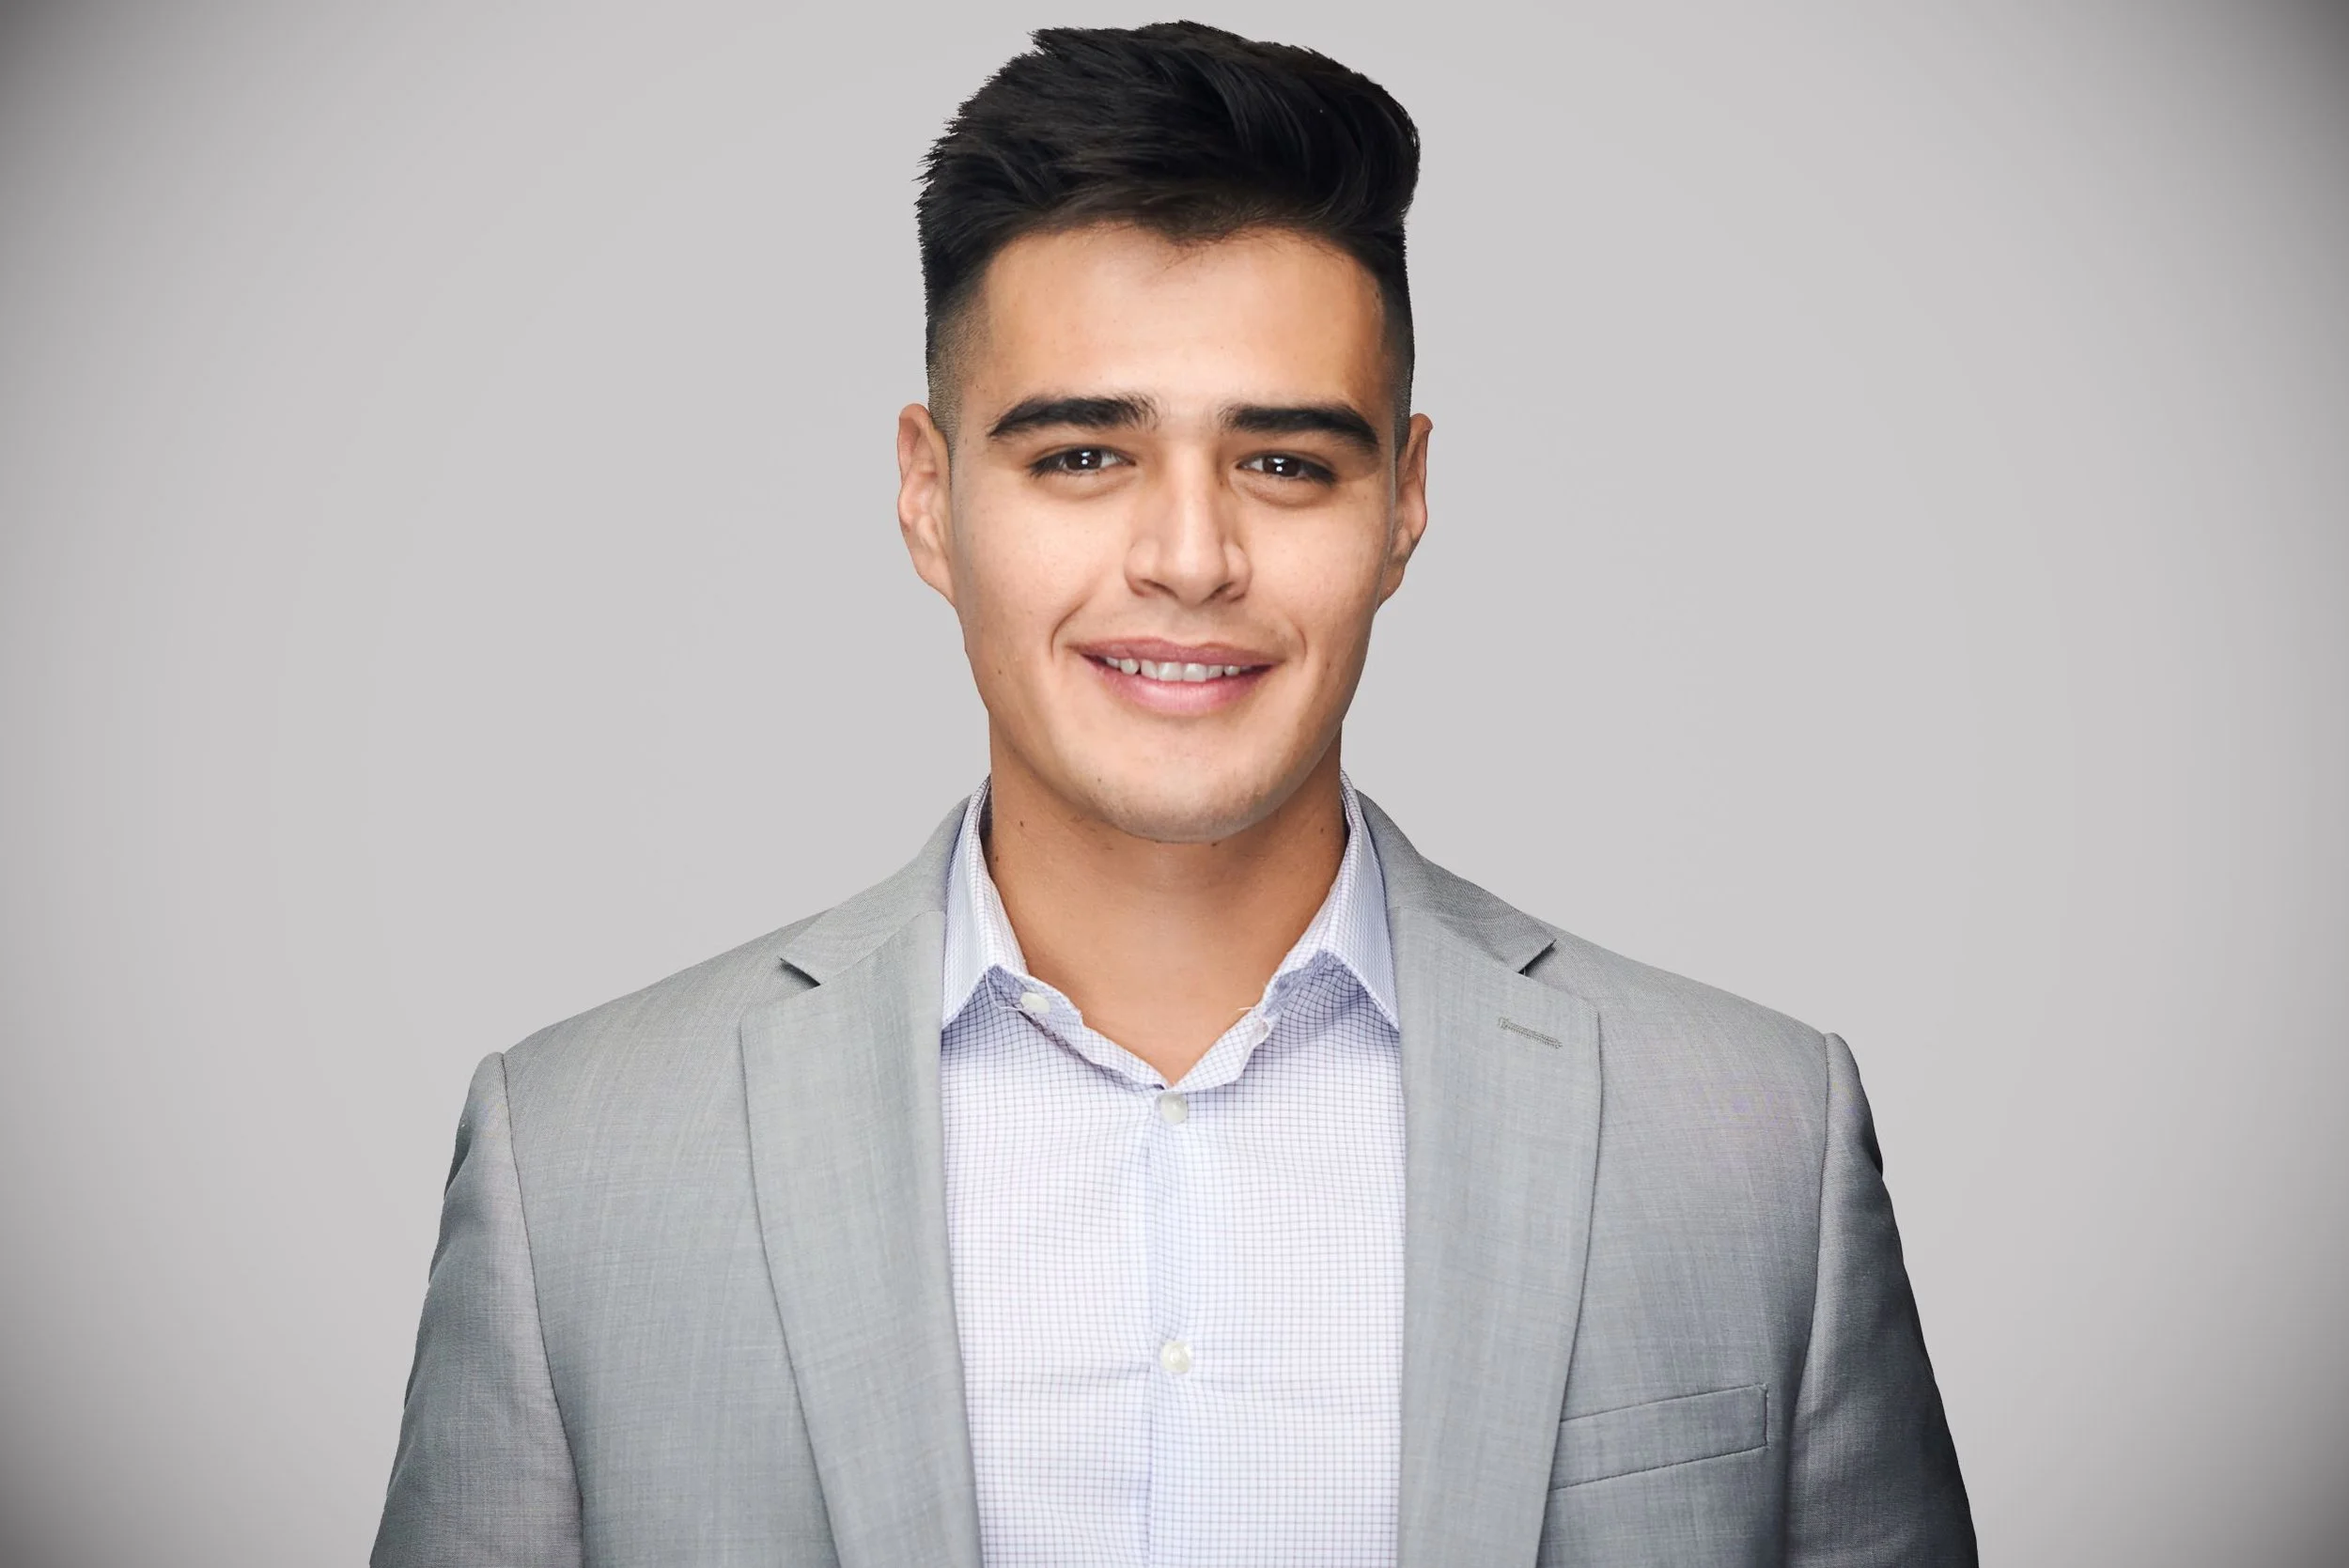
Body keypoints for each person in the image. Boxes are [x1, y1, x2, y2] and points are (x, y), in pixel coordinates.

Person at [372, 21, 1973, 1567]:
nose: (1190, 559)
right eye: (1081, 456)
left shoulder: (1758, 1143)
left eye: (1286, 463)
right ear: (931, 500)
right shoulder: (574, 1159)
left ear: (1405, 500)